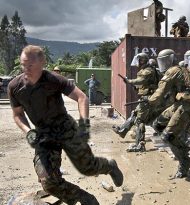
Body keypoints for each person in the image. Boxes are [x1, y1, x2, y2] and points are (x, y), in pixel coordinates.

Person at [7, 45, 123, 205]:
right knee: (48, 182)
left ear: (42, 63)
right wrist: (28, 131)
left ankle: (109, 166)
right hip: (43, 136)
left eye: (30, 65)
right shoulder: (15, 87)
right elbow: (18, 114)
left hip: (66, 128)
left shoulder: (54, 80)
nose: (25, 69)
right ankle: (84, 198)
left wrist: (84, 124)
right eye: (23, 65)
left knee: (87, 168)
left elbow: (82, 98)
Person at [148, 49, 190, 178]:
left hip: (187, 105)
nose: (163, 63)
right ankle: (183, 148)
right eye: (162, 61)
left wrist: (148, 102)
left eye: (164, 61)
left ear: (170, 59)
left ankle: (185, 162)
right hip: (180, 103)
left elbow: (160, 92)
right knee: (158, 125)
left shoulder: (173, 71)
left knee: (168, 136)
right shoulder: (179, 69)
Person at [113, 53, 159, 152]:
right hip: (145, 98)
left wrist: (129, 81)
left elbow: (141, 80)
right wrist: (135, 86)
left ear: (142, 61)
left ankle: (140, 145)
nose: (137, 63)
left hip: (147, 99)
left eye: (138, 60)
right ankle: (122, 130)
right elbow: (144, 84)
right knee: (135, 114)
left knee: (139, 120)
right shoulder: (148, 70)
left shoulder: (148, 71)